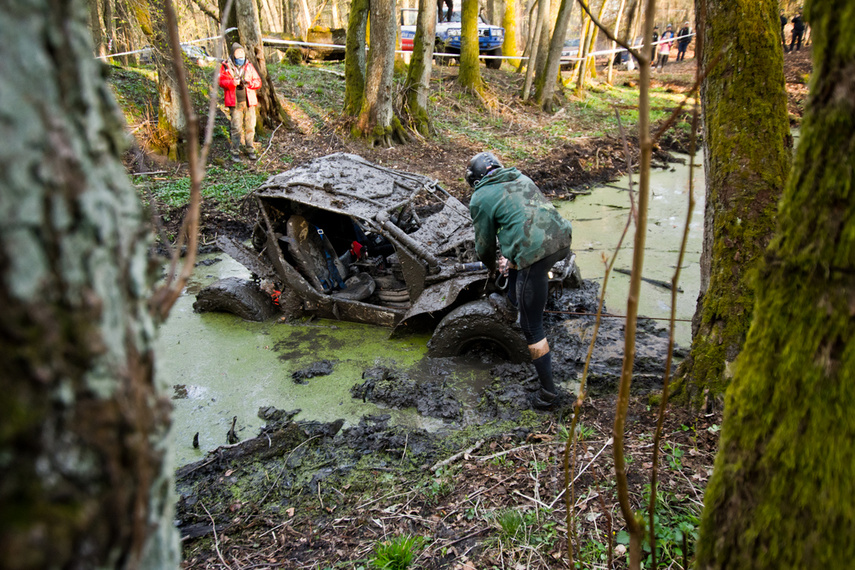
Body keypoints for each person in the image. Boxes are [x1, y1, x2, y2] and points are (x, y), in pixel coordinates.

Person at [466, 152, 573, 409]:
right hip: (562, 239)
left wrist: (492, 269)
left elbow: (485, 245)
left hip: (535, 254)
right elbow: (523, 220)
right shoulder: (520, 177)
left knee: (531, 326)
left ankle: (548, 394)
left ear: (475, 179)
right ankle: (513, 301)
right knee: (519, 265)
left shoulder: (480, 197)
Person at [218, 43, 262, 162]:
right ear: (233, 55)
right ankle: (235, 152)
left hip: (249, 102)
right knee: (236, 128)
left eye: (242, 54)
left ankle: (250, 149)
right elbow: (221, 81)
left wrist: (250, 83)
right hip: (235, 103)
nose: (240, 57)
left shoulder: (249, 66)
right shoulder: (226, 67)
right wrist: (233, 83)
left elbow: (258, 81)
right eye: (238, 54)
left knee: (250, 127)